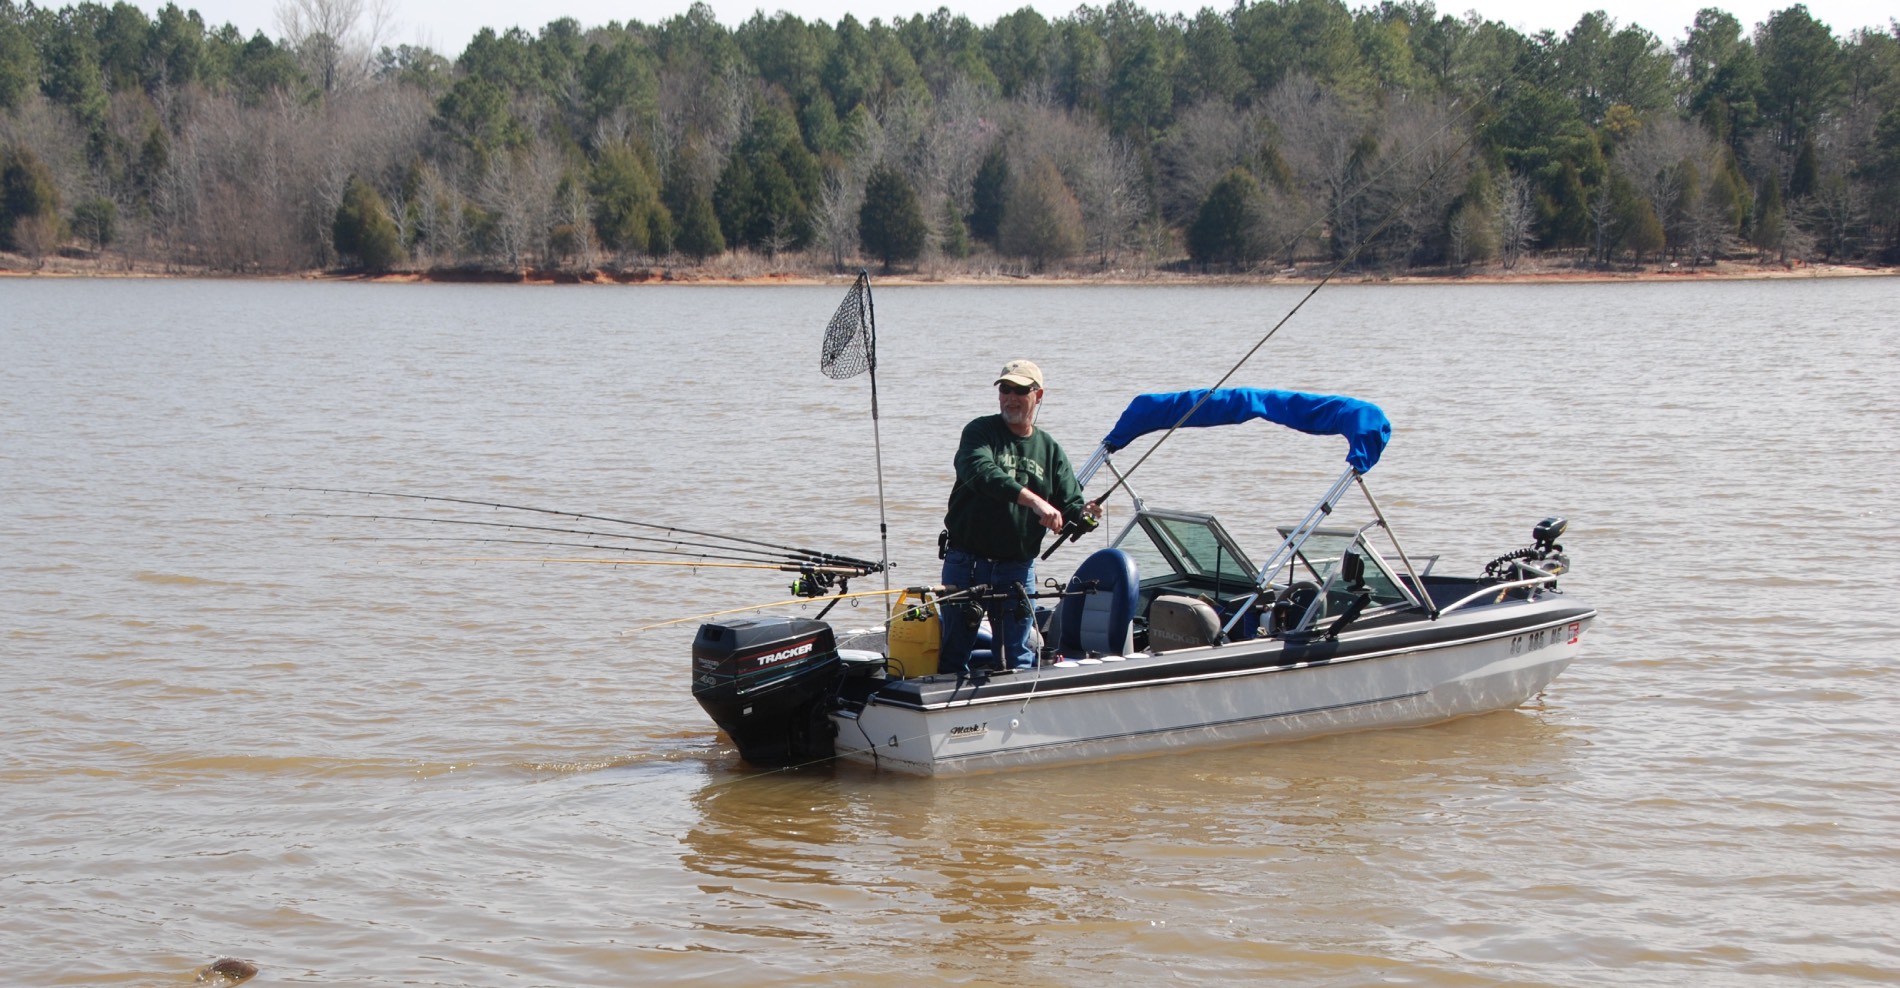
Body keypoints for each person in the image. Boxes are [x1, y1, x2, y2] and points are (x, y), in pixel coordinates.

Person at [939, 359, 1100, 674]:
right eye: (1005, 389)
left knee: (1021, 657)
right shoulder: (980, 432)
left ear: (1038, 396)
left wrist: (1085, 514)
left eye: (1021, 391)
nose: (1011, 397)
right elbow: (981, 473)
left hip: (1018, 567)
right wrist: (1035, 502)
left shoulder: (1049, 448)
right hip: (966, 565)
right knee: (954, 652)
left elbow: (1070, 504)